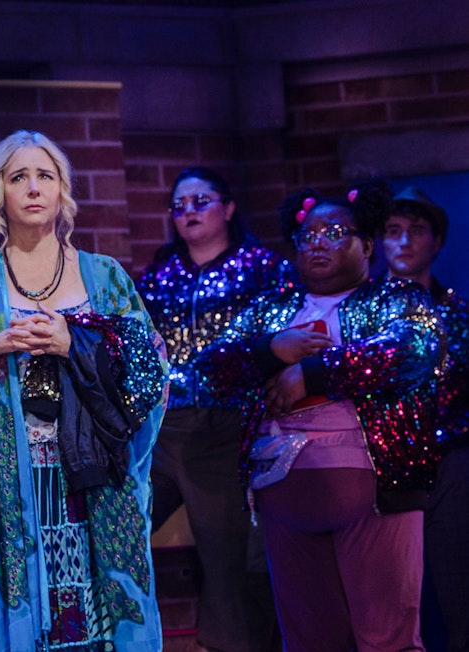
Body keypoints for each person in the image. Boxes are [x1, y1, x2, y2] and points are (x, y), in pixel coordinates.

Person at [0, 130, 169, 651]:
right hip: (10, 483)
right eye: (19, 177)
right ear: (0, 195)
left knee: (99, 617)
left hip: (96, 477)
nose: (33, 188)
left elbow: (151, 367)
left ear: (62, 192)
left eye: (45, 176)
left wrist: (72, 343)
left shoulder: (104, 275)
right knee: (33, 622)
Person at [199, 180, 445, 652]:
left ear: (367, 246)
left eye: (335, 232)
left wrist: (312, 373)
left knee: (387, 639)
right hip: (284, 492)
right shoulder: (272, 309)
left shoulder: (394, 299)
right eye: (308, 234)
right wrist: (271, 349)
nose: (318, 242)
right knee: (309, 641)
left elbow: (413, 350)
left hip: (374, 489)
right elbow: (212, 366)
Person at [136, 167, 290, 652]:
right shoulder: (159, 276)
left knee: (227, 556)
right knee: (118, 523)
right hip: (163, 427)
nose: (189, 213)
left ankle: (226, 645)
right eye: (179, 206)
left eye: (200, 201)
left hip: (229, 426)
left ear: (227, 208)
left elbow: (279, 343)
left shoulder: (264, 268)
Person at [382, 187, 469, 652]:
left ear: (436, 241)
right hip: (383, 466)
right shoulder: (364, 314)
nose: (403, 242)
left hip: (450, 465)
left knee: (458, 594)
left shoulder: (458, 315)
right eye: (392, 231)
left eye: (416, 231)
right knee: (388, 599)